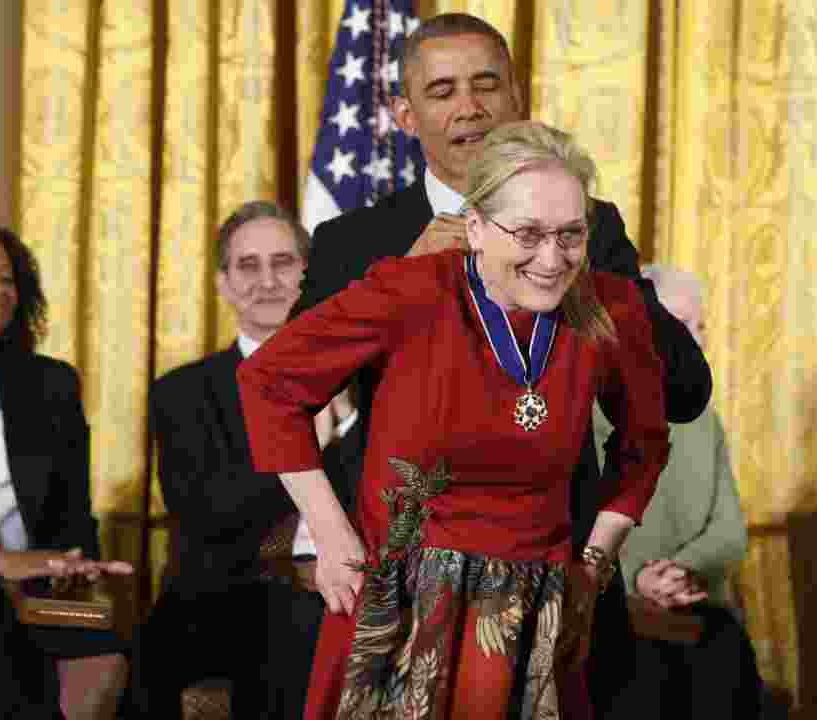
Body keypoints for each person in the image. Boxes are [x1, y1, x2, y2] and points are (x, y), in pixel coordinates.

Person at [290, 13, 712, 712]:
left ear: (516, 97)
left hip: (556, 566)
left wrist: (588, 279)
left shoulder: (584, 226)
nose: (468, 108)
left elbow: (683, 394)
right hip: (399, 569)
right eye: (442, 90)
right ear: (404, 113)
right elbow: (288, 390)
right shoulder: (354, 241)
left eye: (486, 85)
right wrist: (399, 278)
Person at [239, 121, 670, 718]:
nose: (553, 258)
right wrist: (332, 535)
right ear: (476, 228)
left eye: (572, 235)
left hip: (535, 610)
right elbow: (268, 383)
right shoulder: (410, 292)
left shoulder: (611, 306)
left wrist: (594, 563)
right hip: (402, 604)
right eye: (528, 234)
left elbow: (645, 440)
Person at [133, 202, 358, 718]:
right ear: (224, 283)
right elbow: (209, 514)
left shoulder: (360, 382)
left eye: (283, 263)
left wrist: (346, 423)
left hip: (348, 587)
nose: (267, 281)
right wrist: (307, 442)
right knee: (293, 628)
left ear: (308, 274)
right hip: (227, 594)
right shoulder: (183, 393)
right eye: (248, 266)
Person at [600, 265, 762, 718]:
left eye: (700, 325)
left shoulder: (705, 420)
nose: (695, 339)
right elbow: (578, 525)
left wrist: (680, 571)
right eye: (680, 326)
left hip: (696, 604)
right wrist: (638, 580)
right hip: (615, 609)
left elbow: (729, 531)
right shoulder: (591, 414)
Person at [0, 224, 133, 719]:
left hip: (36, 594)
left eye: (7, 279)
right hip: (0, 593)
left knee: (105, 646)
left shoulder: (51, 385)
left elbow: (74, 512)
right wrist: (1, 563)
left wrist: (78, 566)